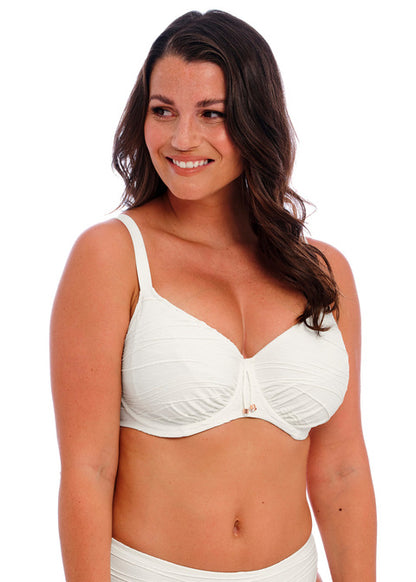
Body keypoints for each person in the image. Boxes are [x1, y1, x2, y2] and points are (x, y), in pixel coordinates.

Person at [50, 10, 377, 582]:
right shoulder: (112, 257)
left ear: (256, 120)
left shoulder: (324, 273)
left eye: (212, 114)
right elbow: (88, 470)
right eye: (162, 111)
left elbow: (341, 469)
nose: (182, 139)